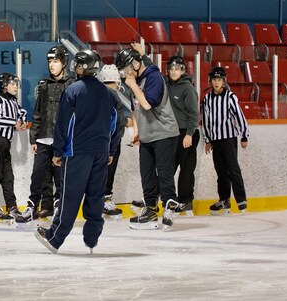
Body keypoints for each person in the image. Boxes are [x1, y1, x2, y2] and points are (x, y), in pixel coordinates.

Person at [34, 50, 119, 254]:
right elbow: (116, 124)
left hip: (77, 152)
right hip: (100, 152)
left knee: (69, 197)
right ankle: (91, 239)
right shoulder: (109, 94)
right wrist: (111, 150)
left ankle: (55, 238)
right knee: (96, 196)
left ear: (81, 67)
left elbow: (63, 123)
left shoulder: (73, 91)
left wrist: (58, 150)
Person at [114, 45, 183, 230]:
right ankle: (151, 209)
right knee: (147, 174)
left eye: (128, 69)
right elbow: (135, 109)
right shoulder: (134, 82)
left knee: (164, 172)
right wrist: (137, 132)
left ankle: (169, 205)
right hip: (148, 136)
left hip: (164, 133)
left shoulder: (154, 78)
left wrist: (133, 85)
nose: (126, 74)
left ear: (136, 64)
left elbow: (146, 104)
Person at [18, 45, 75, 223]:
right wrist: (33, 137)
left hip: (63, 140)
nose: (52, 65)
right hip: (43, 137)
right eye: (50, 61)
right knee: (38, 174)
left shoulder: (72, 85)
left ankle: (60, 206)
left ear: (64, 63)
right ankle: (33, 205)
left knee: (60, 175)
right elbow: (38, 113)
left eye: (55, 61)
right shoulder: (43, 85)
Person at [202, 66, 249, 215]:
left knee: (233, 169)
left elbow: (239, 116)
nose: (217, 82)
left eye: (219, 80)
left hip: (229, 138)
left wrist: (244, 135)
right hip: (216, 140)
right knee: (221, 171)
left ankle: (241, 201)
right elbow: (206, 120)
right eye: (214, 79)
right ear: (210, 81)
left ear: (224, 81)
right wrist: (207, 140)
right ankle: (224, 200)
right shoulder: (207, 99)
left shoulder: (230, 97)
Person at [0, 73, 28, 223]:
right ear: (4, 85)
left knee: (8, 175)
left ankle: (12, 206)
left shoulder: (13, 101)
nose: (16, 86)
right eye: (12, 83)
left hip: (5, 142)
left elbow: (22, 112)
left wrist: (21, 120)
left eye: (16, 83)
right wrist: (13, 122)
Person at [165, 56, 200, 216]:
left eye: (177, 69)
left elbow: (194, 114)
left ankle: (186, 202)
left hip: (187, 133)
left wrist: (189, 135)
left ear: (183, 71)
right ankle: (164, 199)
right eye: (171, 69)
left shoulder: (188, 89)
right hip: (172, 133)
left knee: (186, 170)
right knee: (167, 168)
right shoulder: (165, 84)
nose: (174, 72)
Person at [98, 64, 132, 219]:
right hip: (111, 141)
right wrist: (127, 121)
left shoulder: (98, 94)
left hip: (99, 140)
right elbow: (117, 119)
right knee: (108, 172)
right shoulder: (114, 95)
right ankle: (105, 201)